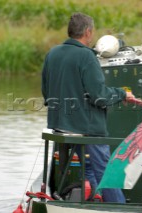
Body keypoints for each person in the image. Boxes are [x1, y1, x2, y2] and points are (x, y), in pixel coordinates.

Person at [41, 12, 134, 203]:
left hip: (58, 125)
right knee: (106, 170)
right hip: (86, 128)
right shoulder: (86, 56)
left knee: (89, 165)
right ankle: (118, 206)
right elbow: (99, 96)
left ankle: (93, 199)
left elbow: (45, 91)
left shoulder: (52, 53)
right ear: (88, 32)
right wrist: (122, 94)